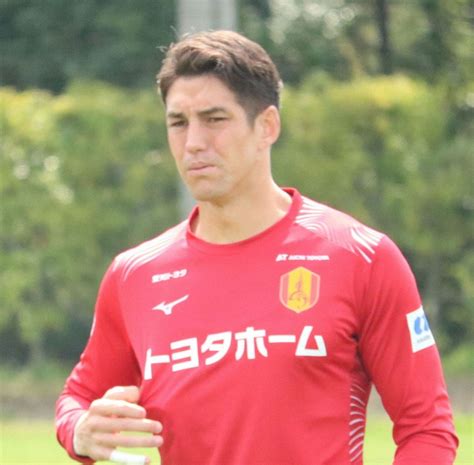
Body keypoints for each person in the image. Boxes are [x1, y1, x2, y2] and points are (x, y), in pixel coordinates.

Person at [55, 30, 458, 465]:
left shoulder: (360, 256)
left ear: (267, 126)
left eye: (214, 119)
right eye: (178, 123)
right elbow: (78, 398)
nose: (193, 142)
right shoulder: (135, 275)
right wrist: (80, 430)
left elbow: (427, 429)